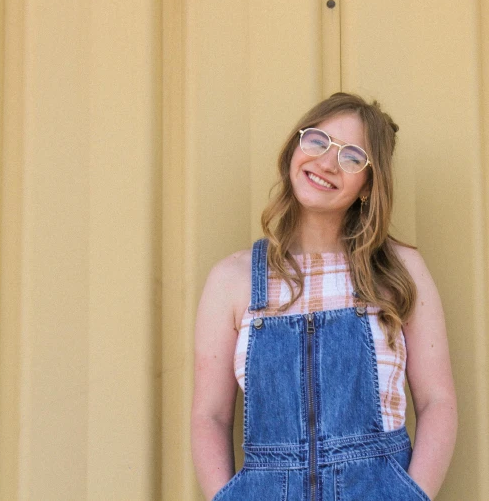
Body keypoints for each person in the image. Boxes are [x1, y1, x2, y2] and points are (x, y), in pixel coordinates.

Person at [191, 93, 457, 501]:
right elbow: (210, 416)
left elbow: (438, 402)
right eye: (318, 141)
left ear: (369, 184)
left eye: (352, 157)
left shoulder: (400, 270)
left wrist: (409, 497)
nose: (328, 163)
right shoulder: (233, 280)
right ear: (295, 148)